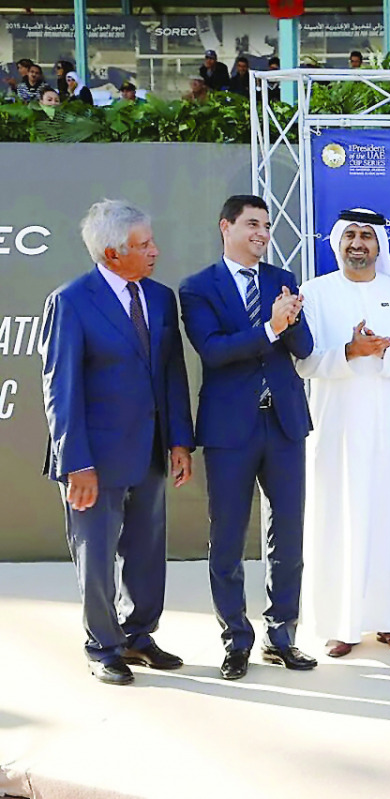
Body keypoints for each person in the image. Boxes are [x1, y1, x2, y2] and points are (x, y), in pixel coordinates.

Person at [39, 199, 195, 685]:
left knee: (147, 552)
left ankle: (138, 636)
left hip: (151, 451)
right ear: (112, 253)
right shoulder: (70, 301)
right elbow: (59, 389)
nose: (155, 251)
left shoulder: (160, 297)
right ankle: (102, 646)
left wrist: (179, 442)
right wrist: (75, 463)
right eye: (144, 244)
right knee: (97, 555)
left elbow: (171, 373)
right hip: (95, 460)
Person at [179, 195, 316, 680]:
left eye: (267, 225)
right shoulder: (197, 288)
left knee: (290, 537)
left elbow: (304, 348)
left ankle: (283, 636)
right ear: (227, 227)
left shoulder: (282, 280)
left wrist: (292, 321)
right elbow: (214, 352)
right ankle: (236, 640)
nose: (262, 232)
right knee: (228, 538)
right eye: (253, 224)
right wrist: (270, 326)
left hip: (284, 424)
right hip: (230, 429)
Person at [297, 210, 390, 657]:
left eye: (367, 237)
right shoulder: (314, 294)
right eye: (350, 236)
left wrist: (385, 353)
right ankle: (342, 624)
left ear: (379, 245)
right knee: (338, 522)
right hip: (336, 431)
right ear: (338, 242)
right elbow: (304, 362)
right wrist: (349, 352)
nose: (358, 244)